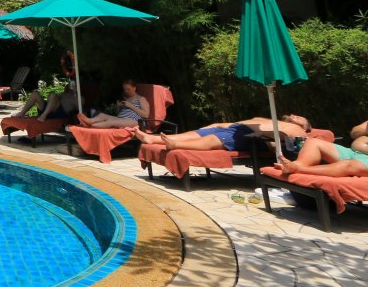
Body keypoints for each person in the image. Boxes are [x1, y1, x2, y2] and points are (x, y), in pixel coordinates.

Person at [135, 115, 311, 152]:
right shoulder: (271, 118)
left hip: (250, 138)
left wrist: (273, 143)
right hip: (236, 128)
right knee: (198, 133)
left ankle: (176, 144)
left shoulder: (297, 129)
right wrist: (217, 124)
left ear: (304, 126)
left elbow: (297, 148)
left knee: (213, 138)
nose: (295, 116)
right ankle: (153, 138)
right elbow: (241, 123)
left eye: (300, 117)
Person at [276, 133, 368, 178]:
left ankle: (298, 169)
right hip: (353, 152)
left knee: (348, 165)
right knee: (312, 142)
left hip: (362, 159)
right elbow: (355, 131)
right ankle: (296, 165)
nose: (293, 115)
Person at [76, 79, 149, 129]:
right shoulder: (126, 99)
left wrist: (131, 106)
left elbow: (146, 115)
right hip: (122, 119)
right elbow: (118, 113)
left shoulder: (141, 99)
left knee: (111, 122)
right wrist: (119, 107)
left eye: (128, 89)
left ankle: (90, 126)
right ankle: (89, 121)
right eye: (124, 89)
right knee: (102, 115)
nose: (126, 91)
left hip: (136, 121)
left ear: (134, 88)